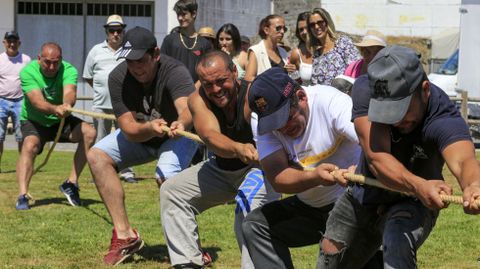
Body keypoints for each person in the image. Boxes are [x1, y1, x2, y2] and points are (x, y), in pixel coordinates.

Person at [318, 46, 480, 268]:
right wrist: (418, 184)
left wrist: (474, 185)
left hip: (415, 201)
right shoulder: (365, 89)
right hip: (366, 191)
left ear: (425, 90)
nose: (394, 120)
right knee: (331, 252)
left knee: (396, 243)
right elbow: (378, 158)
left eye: (401, 108)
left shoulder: (442, 116)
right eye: (386, 110)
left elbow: (463, 161)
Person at [86, 26, 199, 266]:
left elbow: (187, 109)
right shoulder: (117, 77)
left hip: (177, 136)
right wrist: (149, 128)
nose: (135, 67)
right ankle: (125, 236)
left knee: (166, 177)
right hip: (143, 135)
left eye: (140, 60)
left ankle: (188, 249)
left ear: (155, 54)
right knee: (97, 156)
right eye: (129, 60)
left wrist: (181, 122)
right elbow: (128, 128)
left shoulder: (175, 70)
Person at [160, 51, 280, 269]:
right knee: (171, 191)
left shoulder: (254, 94)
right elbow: (210, 136)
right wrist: (238, 148)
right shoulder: (198, 99)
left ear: (235, 72)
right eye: (208, 84)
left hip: (260, 170)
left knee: (247, 202)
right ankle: (188, 264)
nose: (216, 89)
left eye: (221, 81)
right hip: (222, 168)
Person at [242, 67, 360, 269]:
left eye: (286, 118)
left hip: (354, 203)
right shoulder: (265, 124)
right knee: (255, 225)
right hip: (312, 209)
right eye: (275, 124)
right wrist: (316, 177)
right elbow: (277, 178)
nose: (283, 129)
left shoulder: (331, 102)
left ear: (301, 96)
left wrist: (360, 169)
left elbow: (374, 144)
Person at [15, 42, 96, 210]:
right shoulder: (27, 72)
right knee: (29, 145)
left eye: (56, 62)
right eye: (47, 62)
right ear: (39, 59)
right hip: (34, 120)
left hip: (61, 120)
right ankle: (23, 195)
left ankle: (71, 184)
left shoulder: (69, 70)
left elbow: (70, 92)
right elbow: (36, 101)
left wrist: (66, 104)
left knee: (89, 133)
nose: (52, 67)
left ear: (61, 60)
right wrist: (54, 108)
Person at [83, 14, 137, 183]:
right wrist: (103, 90)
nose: (115, 34)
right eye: (112, 30)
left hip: (124, 104)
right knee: (100, 140)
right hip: (101, 105)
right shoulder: (95, 51)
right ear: (106, 31)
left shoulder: (129, 51)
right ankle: (99, 173)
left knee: (126, 138)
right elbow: (88, 76)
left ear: (123, 31)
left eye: (119, 30)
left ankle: (127, 172)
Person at [160, 0, 212, 83]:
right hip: (174, 91)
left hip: (197, 92)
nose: (180, 18)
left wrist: (197, 88)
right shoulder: (169, 40)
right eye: (178, 15)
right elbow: (162, 67)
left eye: (183, 14)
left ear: (194, 14)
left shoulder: (205, 44)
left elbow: (208, 71)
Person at [0, 31, 31, 172]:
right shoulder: (0, 59)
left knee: (21, 136)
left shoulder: (26, 60)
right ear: (4, 42)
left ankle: (22, 167)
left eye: (14, 41)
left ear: (19, 43)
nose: (12, 44)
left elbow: (31, 79)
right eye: (9, 41)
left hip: (21, 101)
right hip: (1, 101)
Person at [308, 8, 360, 86]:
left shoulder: (342, 43)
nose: (316, 27)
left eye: (320, 22)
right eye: (312, 25)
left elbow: (356, 70)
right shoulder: (316, 55)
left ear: (327, 22)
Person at [244, 14, 289, 82]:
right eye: (278, 28)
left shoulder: (283, 52)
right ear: (266, 30)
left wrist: (292, 71)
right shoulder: (256, 51)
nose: (282, 32)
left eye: (284, 29)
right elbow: (248, 78)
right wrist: (270, 84)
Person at [288, 11, 313, 86]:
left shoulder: (325, 49)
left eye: (307, 28)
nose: (304, 32)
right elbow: (294, 82)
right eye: (301, 29)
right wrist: (290, 72)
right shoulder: (296, 53)